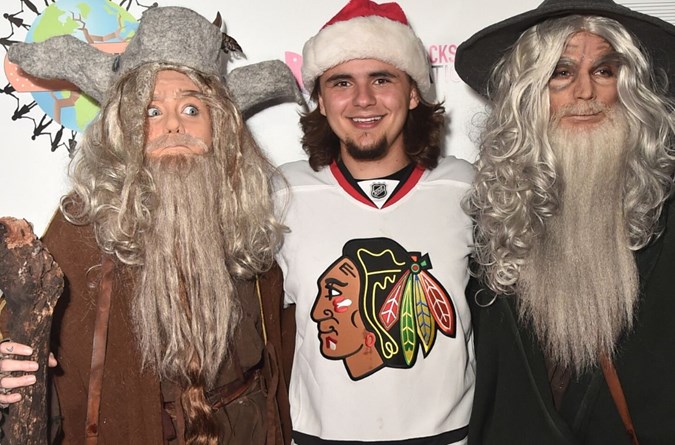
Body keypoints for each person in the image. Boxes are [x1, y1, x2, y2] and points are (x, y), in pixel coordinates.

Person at [0, 6, 300, 444]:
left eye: (192, 108)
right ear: (125, 130)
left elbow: (279, 348)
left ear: (221, 128)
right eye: (151, 112)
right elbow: (26, 331)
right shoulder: (83, 227)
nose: (174, 124)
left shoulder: (245, 225)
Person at [454, 0, 675, 443]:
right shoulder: (491, 212)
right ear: (530, 91)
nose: (585, 93)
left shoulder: (664, 208)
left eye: (604, 71)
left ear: (628, 86)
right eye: (561, 72)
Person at [274, 0, 475, 443]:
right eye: (341, 82)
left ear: (413, 92)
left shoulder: (468, 188)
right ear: (321, 101)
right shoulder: (280, 194)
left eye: (382, 79)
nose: (363, 100)